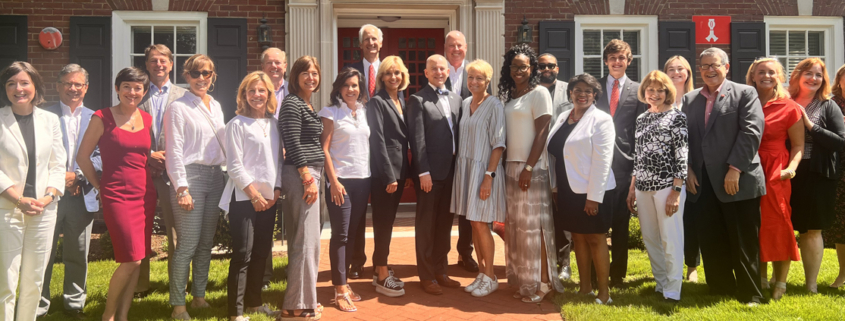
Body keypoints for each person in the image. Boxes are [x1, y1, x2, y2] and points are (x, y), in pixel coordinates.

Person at [681, 48, 766, 305]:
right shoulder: (689, 99)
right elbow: (683, 139)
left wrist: (735, 169)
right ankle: (720, 288)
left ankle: (751, 293)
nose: (709, 70)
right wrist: (688, 170)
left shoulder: (745, 93)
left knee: (743, 240)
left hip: (737, 179)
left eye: (714, 65)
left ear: (726, 67)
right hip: (702, 181)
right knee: (711, 238)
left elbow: (751, 133)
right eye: (704, 65)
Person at [76, 67, 157, 320]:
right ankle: (108, 316)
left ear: (144, 92)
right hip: (117, 195)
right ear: (117, 89)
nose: (132, 92)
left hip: (145, 194)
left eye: (138, 88)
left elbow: (140, 154)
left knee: (138, 258)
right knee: (131, 260)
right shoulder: (102, 117)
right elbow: (82, 157)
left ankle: (123, 315)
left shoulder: (147, 118)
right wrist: (99, 186)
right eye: (127, 87)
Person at [0, 61, 66, 321]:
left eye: (24, 82)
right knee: (6, 278)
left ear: (35, 85)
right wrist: (18, 200)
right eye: (11, 83)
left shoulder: (50, 120)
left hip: (43, 210)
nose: (18, 88)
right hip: (7, 209)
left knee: (34, 280)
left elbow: (58, 164)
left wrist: (48, 197)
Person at [164, 54, 227, 320]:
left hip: (216, 177)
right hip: (190, 177)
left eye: (207, 73)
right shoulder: (178, 108)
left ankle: (199, 297)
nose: (202, 78)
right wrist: (181, 188)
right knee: (187, 244)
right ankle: (178, 305)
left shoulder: (217, 105)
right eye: (196, 73)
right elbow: (174, 151)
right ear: (186, 76)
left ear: (213, 77)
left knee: (205, 243)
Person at [498, 44, 563, 303]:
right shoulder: (512, 95)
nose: (518, 71)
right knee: (517, 229)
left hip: (531, 169)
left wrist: (527, 167)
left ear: (532, 68)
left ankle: (544, 282)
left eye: (523, 66)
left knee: (535, 228)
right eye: (514, 66)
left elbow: (542, 133)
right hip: (510, 167)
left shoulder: (539, 93)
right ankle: (526, 280)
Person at [546, 73, 615, 304]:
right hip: (567, 189)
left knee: (596, 239)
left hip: (593, 190)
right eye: (578, 90)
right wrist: (555, 187)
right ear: (570, 94)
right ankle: (585, 288)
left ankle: (604, 294)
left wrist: (594, 198)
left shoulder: (602, 120)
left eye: (588, 91)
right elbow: (556, 153)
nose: (582, 95)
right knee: (578, 238)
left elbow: (602, 161)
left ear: (594, 95)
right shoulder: (564, 116)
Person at [39, 64, 101, 319]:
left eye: (78, 84)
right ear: (58, 86)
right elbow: (36, 155)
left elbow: (101, 157)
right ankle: (38, 305)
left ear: (86, 88)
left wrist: (77, 175)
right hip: (48, 195)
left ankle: (74, 304)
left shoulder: (96, 118)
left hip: (81, 195)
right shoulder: (42, 115)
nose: (73, 88)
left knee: (78, 253)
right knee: (42, 252)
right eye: (68, 83)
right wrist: (58, 178)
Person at [219, 71, 282, 321]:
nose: (257, 95)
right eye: (251, 91)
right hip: (244, 198)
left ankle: (254, 303)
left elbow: (278, 160)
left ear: (268, 94)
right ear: (244, 95)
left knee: (261, 252)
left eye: (261, 90)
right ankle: (235, 313)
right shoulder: (236, 124)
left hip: (270, 199)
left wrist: (276, 190)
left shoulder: (274, 124)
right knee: (243, 253)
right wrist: (254, 194)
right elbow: (234, 166)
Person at [626, 70, 688, 303]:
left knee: (670, 238)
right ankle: (661, 284)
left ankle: (673, 290)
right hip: (642, 186)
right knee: (651, 238)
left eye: (659, 90)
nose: (654, 94)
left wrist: (676, 190)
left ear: (667, 92)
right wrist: (632, 187)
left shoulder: (677, 117)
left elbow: (682, 155)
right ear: (644, 92)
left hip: (666, 186)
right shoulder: (642, 118)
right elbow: (638, 156)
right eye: (650, 90)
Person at [746, 58, 803, 300]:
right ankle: (759, 277)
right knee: (753, 225)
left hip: (775, 171)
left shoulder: (789, 107)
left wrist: (790, 169)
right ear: (753, 76)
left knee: (778, 223)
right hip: (747, 167)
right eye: (761, 72)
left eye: (771, 72)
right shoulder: (744, 101)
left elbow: (799, 145)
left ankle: (780, 282)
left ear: (779, 76)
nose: (766, 76)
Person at [320, 68, 376, 312]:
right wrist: (333, 181)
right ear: (338, 88)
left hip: (363, 180)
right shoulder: (330, 112)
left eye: (355, 85)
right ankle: (340, 289)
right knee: (341, 235)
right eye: (347, 85)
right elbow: (324, 149)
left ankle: (344, 284)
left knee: (353, 234)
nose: (351, 89)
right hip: (340, 181)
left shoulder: (365, 112)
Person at [593, 39, 647, 287]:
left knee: (621, 224)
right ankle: (596, 272)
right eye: (612, 58)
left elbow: (639, 130)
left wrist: (636, 167)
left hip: (625, 166)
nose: (617, 62)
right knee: (597, 222)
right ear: (606, 61)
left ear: (628, 61)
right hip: (597, 163)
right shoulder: (594, 89)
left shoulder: (638, 90)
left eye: (622, 58)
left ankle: (618, 275)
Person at [788, 57, 845, 294]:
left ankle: (810, 284)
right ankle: (774, 279)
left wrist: (811, 125)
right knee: (782, 224)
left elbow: (840, 142)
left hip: (818, 173)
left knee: (812, 229)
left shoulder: (827, 106)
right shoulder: (784, 102)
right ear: (797, 76)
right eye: (809, 73)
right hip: (786, 171)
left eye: (819, 75)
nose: (814, 78)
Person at [407, 54, 463, 295]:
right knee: (426, 225)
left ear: (448, 72)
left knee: (444, 224)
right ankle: (427, 275)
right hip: (430, 174)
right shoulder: (418, 100)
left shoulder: (457, 99)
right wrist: (423, 171)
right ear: (426, 73)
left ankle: (441, 270)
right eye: (434, 69)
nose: (439, 72)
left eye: (443, 68)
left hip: (452, 172)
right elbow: (417, 139)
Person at [451, 59, 506, 297]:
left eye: (479, 78)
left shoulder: (495, 104)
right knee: (474, 222)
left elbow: (499, 144)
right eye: (470, 77)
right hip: (466, 170)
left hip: (484, 171)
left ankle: (491, 275)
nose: (474, 82)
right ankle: (481, 274)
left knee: (482, 224)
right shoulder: (465, 103)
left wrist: (488, 177)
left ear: (488, 81)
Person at [136, 44, 188, 299]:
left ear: (171, 64)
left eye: (163, 60)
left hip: (173, 172)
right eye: (153, 60)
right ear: (146, 65)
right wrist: (147, 157)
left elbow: (188, 134)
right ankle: (140, 286)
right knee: (141, 230)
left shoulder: (184, 95)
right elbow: (126, 131)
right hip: (143, 172)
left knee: (176, 231)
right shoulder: (136, 94)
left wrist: (169, 158)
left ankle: (177, 285)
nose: (159, 64)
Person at [278, 56, 324, 319]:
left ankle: (302, 299)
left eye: (315, 73)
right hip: (301, 175)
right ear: (295, 77)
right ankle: (296, 306)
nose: (311, 77)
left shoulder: (305, 104)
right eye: (305, 73)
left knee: (308, 241)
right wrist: (307, 176)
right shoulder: (292, 103)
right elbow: (293, 143)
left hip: (308, 173)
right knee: (305, 242)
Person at [366, 55, 410, 296]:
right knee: (383, 223)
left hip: (401, 170)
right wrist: (388, 176)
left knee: (389, 221)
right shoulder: (377, 102)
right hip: (386, 174)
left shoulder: (401, 99)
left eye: (397, 73)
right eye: (388, 73)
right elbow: (378, 141)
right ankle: (382, 274)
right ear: (381, 77)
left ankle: (377, 266)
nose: (394, 77)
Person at [346, 24, 383, 279]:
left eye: (374, 39)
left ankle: (382, 262)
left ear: (381, 43)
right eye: (366, 39)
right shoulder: (350, 72)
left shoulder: (391, 70)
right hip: (357, 149)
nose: (371, 42)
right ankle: (356, 261)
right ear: (360, 45)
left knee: (382, 210)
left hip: (382, 150)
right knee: (357, 212)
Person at [444, 30, 478, 273]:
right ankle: (440, 255)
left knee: (467, 208)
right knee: (445, 207)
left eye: (460, 45)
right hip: (444, 154)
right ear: (445, 48)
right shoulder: (437, 71)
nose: (456, 49)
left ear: (466, 47)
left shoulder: (475, 74)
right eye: (451, 45)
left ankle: (465, 253)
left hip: (469, 152)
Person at [663, 55, 699, 282]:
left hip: (694, 167)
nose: (676, 73)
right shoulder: (658, 100)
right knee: (668, 221)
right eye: (671, 69)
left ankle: (692, 266)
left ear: (688, 73)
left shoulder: (696, 100)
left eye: (681, 69)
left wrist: (689, 169)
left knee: (691, 218)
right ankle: (667, 266)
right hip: (664, 171)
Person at [538, 52, 572, 281]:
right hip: (537, 160)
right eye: (541, 66)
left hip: (564, 161)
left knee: (563, 214)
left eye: (551, 65)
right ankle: (543, 261)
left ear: (558, 68)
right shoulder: (530, 91)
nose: (546, 69)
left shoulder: (570, 90)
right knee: (541, 214)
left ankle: (565, 264)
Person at [259, 47, 289, 289]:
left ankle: (294, 270)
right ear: (263, 66)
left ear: (285, 66)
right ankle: (264, 275)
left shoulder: (296, 91)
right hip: (265, 163)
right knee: (265, 219)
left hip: (292, 162)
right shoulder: (257, 91)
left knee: (297, 218)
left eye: (278, 63)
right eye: (269, 62)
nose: (274, 67)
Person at [827, 64, 845, 289]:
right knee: (842, 226)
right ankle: (842, 274)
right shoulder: (830, 105)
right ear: (839, 80)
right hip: (840, 170)